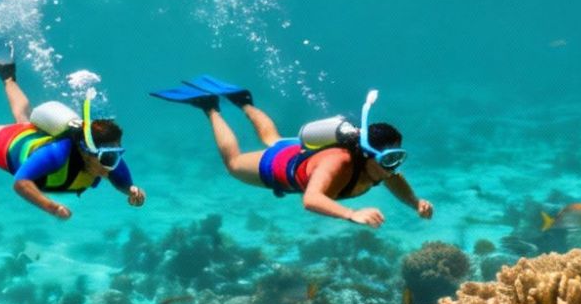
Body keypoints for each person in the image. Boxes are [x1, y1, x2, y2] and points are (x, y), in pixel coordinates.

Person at [153, 77, 432, 229]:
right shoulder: (339, 163)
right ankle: (209, 107)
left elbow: (394, 179)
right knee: (234, 164)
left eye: (397, 158)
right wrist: (351, 214)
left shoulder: (381, 166)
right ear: (369, 154)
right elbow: (311, 200)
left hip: (300, 153)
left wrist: (415, 202)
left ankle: (244, 102)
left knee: (273, 138)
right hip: (283, 167)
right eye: (388, 160)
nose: (393, 167)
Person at [0, 38, 145, 221]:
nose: (112, 166)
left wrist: (133, 191)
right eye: (107, 158)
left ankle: (8, 76)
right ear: (86, 151)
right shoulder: (57, 154)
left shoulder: (106, 155)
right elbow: (21, 183)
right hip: (10, 145)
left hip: (36, 136)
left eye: (116, 156)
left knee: (24, 119)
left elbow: (123, 182)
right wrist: (52, 208)